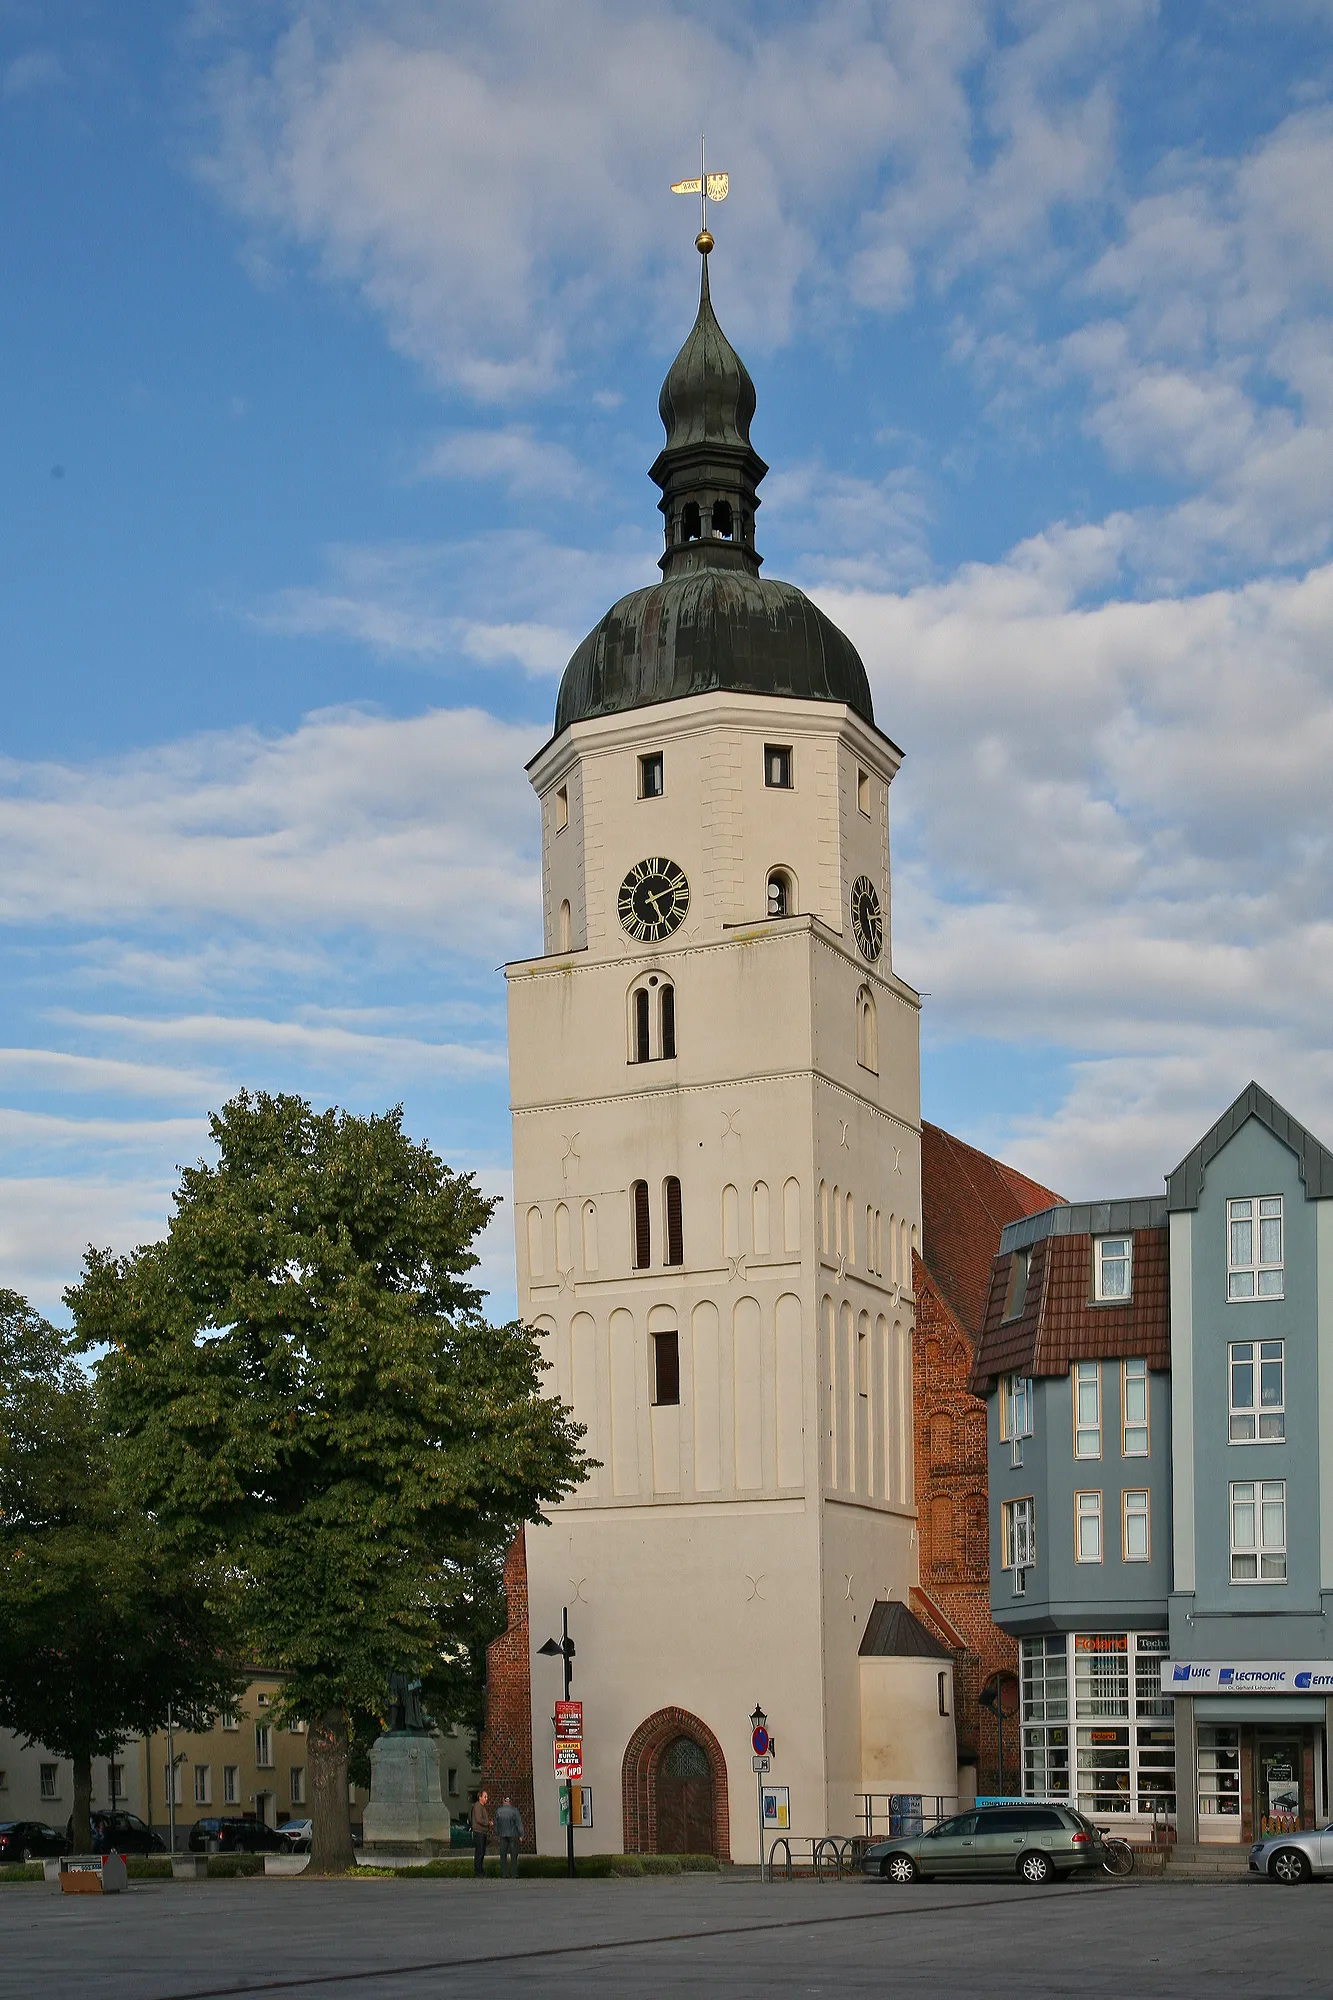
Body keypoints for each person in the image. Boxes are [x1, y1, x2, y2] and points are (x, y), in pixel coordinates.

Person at [495, 1796, 524, 1879]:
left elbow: (496, 1825)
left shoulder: (498, 1811)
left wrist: (497, 1833)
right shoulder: (514, 1811)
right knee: (513, 1855)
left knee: (503, 1855)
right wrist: (521, 1835)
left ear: (503, 1801)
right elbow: (519, 1824)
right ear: (510, 1801)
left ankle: (504, 1874)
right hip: (513, 1835)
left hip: (503, 1835)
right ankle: (514, 1874)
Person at [471, 1792, 491, 1877]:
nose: (486, 1798)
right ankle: (478, 1871)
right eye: (485, 1797)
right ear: (480, 1798)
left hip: (482, 1832)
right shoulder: (477, 1806)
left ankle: (480, 1870)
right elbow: (479, 1819)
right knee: (479, 1852)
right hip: (479, 1832)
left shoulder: (482, 1807)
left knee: (482, 1852)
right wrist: (488, 1823)